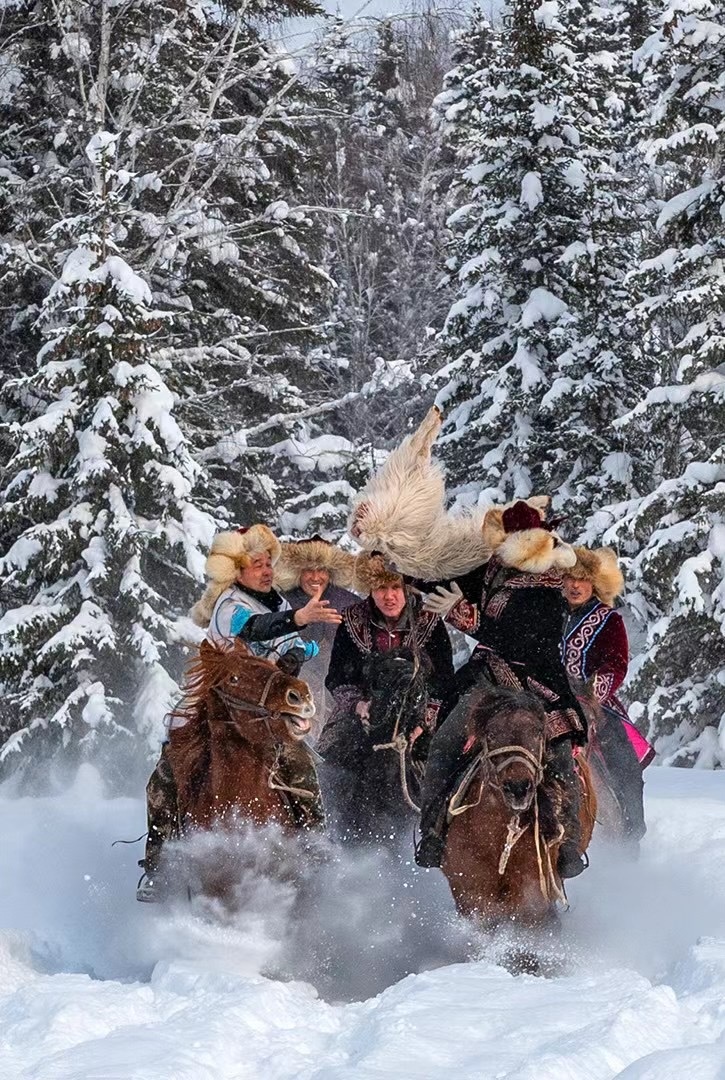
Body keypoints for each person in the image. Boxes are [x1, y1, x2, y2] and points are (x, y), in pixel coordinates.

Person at [137, 524, 342, 902]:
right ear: (237, 570)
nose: (266, 570)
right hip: (221, 705)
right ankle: (158, 861)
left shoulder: (278, 602)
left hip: (266, 708)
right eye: (256, 564)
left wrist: (297, 654)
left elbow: (293, 645)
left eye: (268, 563)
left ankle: (314, 842)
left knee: (301, 762)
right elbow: (254, 629)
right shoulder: (229, 605)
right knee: (167, 771)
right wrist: (298, 620)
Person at [413, 500, 589, 877]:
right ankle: (432, 832)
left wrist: (466, 617)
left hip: (538, 683)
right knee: (444, 743)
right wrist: (403, 565)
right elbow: (448, 584)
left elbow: (527, 642)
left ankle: (569, 844)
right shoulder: (494, 570)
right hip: (488, 677)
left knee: (559, 755)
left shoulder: (550, 587)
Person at [320, 553, 457, 764]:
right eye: (381, 588)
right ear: (370, 590)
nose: (389, 596)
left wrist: (423, 721)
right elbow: (337, 677)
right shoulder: (351, 620)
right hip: (364, 713)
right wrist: (358, 705)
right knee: (332, 761)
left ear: (407, 588)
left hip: (419, 713)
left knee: (444, 763)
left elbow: (444, 678)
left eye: (395, 587)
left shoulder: (430, 621)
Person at [562, 547, 653, 845]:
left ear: (594, 583)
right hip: (546, 699)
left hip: (595, 703)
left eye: (583, 579)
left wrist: (591, 694)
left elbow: (616, 664)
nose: (575, 586)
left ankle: (630, 832)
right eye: (570, 578)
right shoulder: (547, 613)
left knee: (624, 766)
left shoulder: (608, 619)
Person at [275, 536, 358, 735]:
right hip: (293, 693)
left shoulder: (349, 603)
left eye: (321, 570)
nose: (315, 577)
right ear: (297, 571)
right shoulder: (282, 602)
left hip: (341, 694)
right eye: (308, 570)